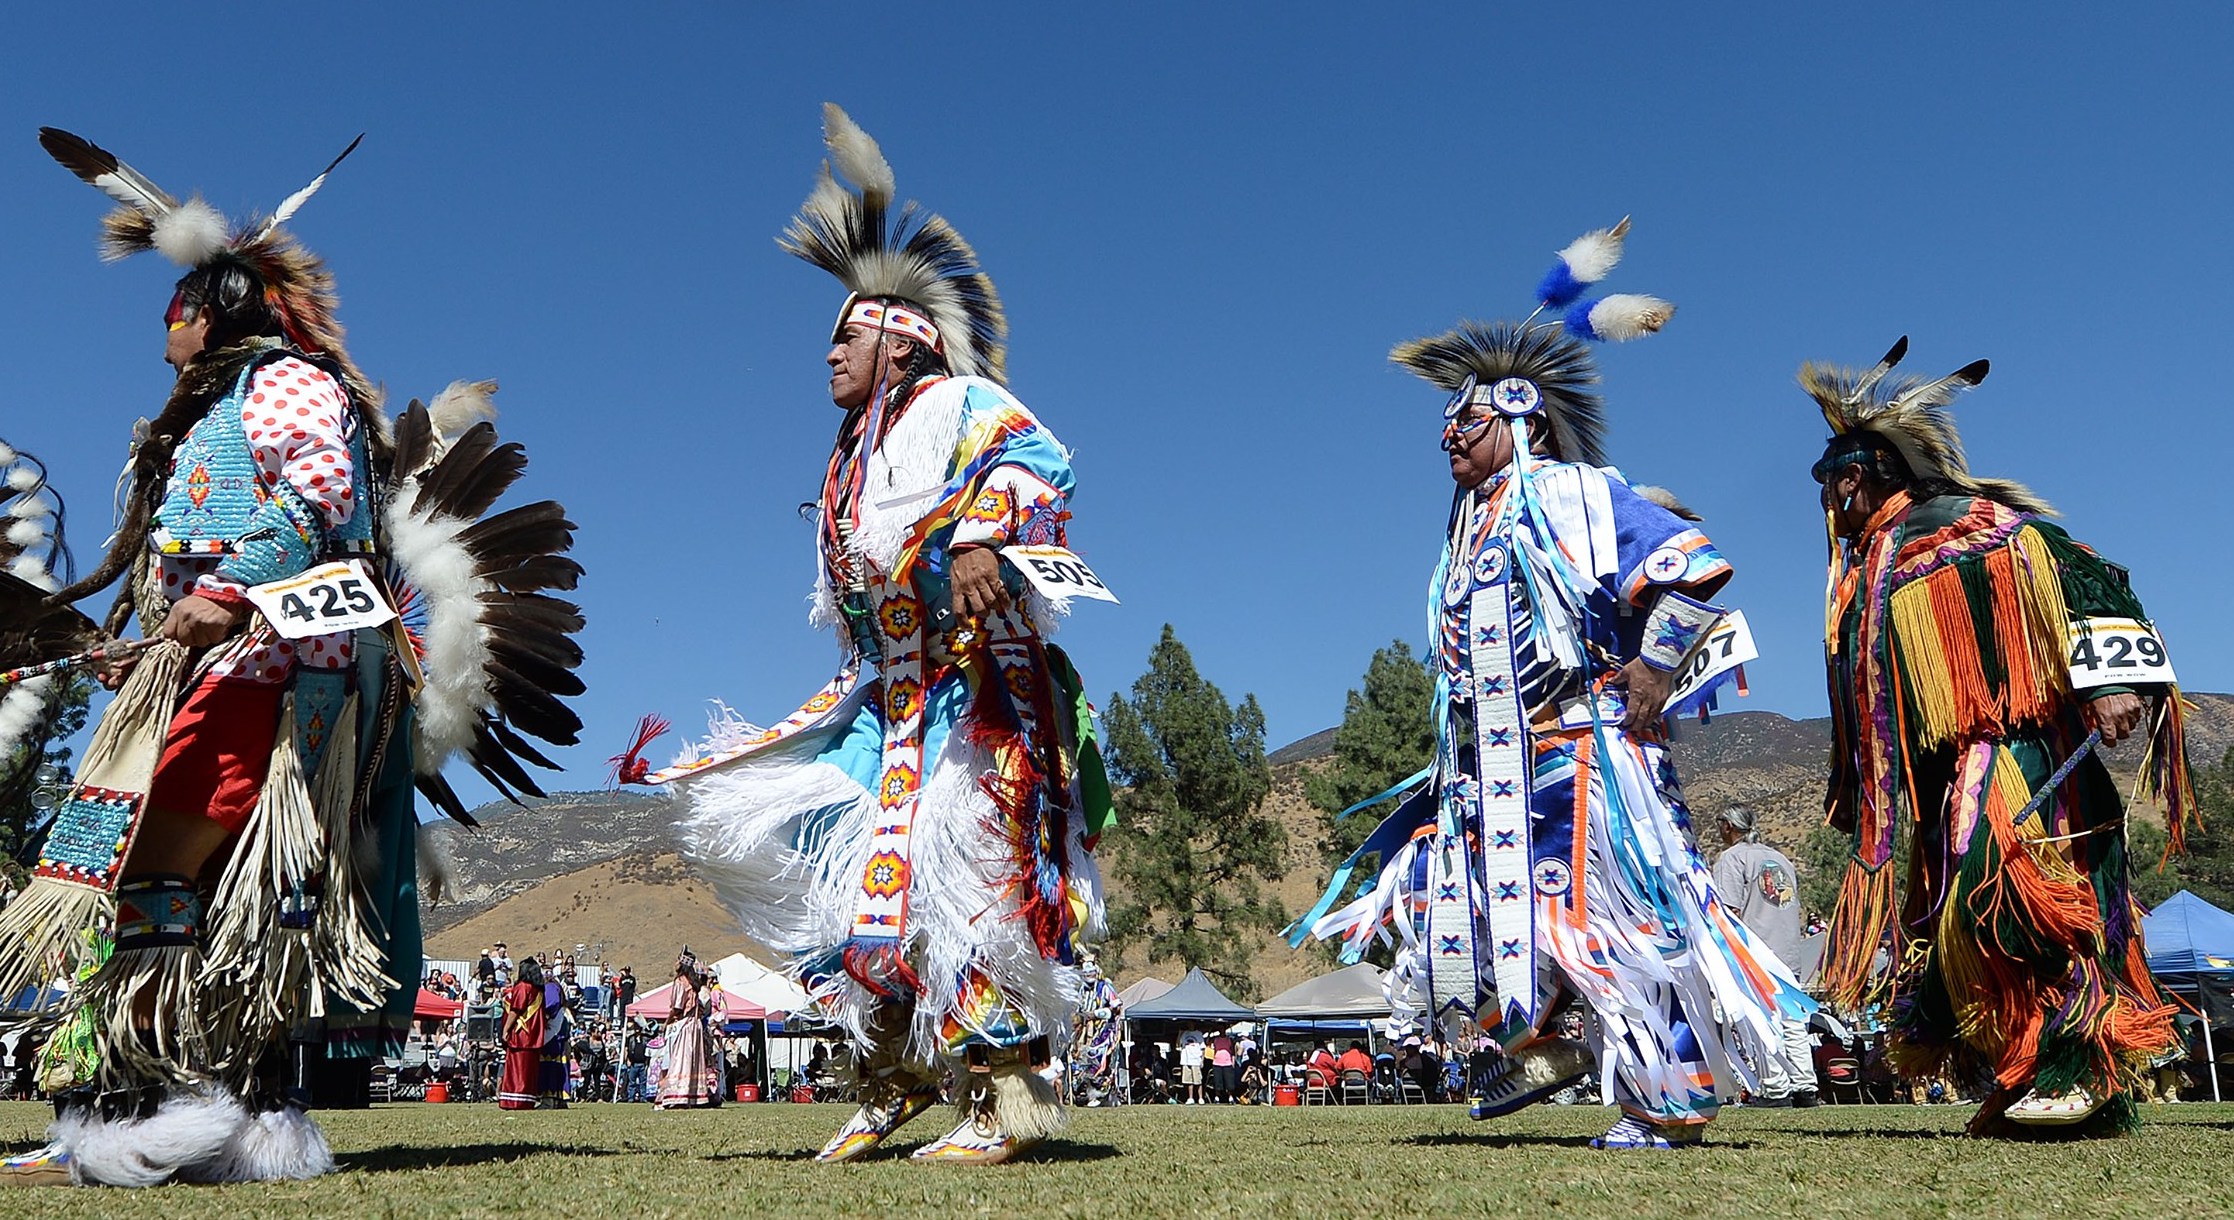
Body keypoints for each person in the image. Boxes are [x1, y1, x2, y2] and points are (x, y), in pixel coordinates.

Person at [0, 129, 582, 1189]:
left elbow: (322, 499)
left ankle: (163, 1109)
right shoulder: (209, 415)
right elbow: (185, 557)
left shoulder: (286, 388)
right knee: (168, 884)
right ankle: (196, 1113)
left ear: (203, 311)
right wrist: (142, 647)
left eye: (170, 312)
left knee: (155, 875)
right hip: (209, 671)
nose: (160, 333)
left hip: (266, 675)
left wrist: (228, 593)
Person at [618, 105, 1110, 1165]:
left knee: (972, 880)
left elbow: (1041, 463)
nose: (828, 355)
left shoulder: (958, 401)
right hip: (883, 705)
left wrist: (982, 533)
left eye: (843, 334)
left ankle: (1001, 1099)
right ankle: (888, 1079)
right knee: (823, 869)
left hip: (979, 693)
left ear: (902, 334)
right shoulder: (848, 457)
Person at [1302, 220, 1801, 1150]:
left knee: (1622, 917)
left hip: (1589, 749)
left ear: (1521, 414)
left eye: (1467, 421)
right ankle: (1541, 1043)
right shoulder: (1467, 530)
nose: (1447, 435)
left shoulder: (1575, 493)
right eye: (1444, 424)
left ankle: (1666, 1101)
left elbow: (1697, 565)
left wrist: (1654, 666)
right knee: (1480, 906)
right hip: (1496, 763)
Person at [1803, 337, 2196, 1136]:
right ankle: (2033, 1074)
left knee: (2013, 898)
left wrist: (2112, 681)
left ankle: (2077, 1062)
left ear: (1861, 473)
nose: (1825, 498)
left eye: (1831, 478)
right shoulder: (1868, 567)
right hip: (1948, 772)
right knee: (1958, 920)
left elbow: (2090, 573)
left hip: (2016, 751)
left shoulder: (1967, 524)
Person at [1710, 807, 1819, 1109]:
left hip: (1756, 951)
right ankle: (1805, 1086)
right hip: (1788, 951)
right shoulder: (1780, 858)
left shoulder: (1732, 859)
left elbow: (1727, 911)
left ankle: (1775, 1089)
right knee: (1794, 1020)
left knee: (1762, 1020)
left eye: (1720, 826)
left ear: (1729, 826)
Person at [659, 954, 715, 1109]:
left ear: (682, 964)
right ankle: (694, 1095)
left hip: (684, 1025)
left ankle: (678, 1095)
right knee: (693, 1060)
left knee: (680, 1058)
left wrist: (667, 1022)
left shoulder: (680, 982)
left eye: (677, 960)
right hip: (695, 1025)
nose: (675, 963)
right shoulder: (695, 983)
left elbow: (677, 1007)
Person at [499, 959, 547, 1111]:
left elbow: (516, 1009)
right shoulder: (539, 990)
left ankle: (514, 1100)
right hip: (534, 1036)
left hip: (520, 1035)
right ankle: (526, 1099)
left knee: (516, 1069)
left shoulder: (522, 987)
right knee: (528, 1071)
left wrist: (505, 1029)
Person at [1178, 1034, 1206, 1105]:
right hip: (1186, 1061)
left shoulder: (1198, 1034)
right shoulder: (1184, 1034)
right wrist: (1180, 1033)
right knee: (1189, 1081)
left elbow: (1203, 1048)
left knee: (1198, 1081)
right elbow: (1178, 1044)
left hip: (1195, 1061)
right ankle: (1190, 1098)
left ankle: (1200, 1098)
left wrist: (1202, 1060)